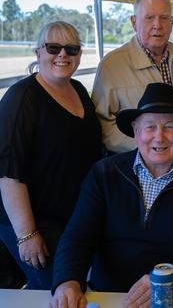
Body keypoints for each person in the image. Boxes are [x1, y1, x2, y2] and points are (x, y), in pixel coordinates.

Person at [49, 83, 173, 308]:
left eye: (169, 127)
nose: (159, 137)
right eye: (150, 127)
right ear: (136, 131)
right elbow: (77, 236)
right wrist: (67, 281)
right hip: (110, 297)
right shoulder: (104, 174)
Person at [0, 21, 102, 290]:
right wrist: (27, 234)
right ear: (38, 54)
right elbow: (9, 174)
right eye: (53, 48)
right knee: (59, 286)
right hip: (33, 220)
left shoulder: (79, 90)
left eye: (71, 49)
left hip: (71, 216)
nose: (63, 55)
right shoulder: (22, 98)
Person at [92, 0, 173, 154]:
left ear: (171, 22)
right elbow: (103, 123)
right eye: (149, 18)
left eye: (164, 18)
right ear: (134, 22)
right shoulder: (111, 65)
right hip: (134, 163)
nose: (157, 25)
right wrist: (149, 149)